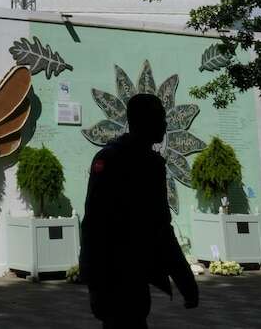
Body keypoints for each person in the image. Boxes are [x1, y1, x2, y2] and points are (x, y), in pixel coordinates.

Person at [80, 93, 198, 328]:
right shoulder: (146, 165)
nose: (166, 124)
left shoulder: (108, 157)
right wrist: (186, 281)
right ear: (146, 121)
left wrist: (91, 276)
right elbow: (160, 228)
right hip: (125, 276)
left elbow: (92, 221)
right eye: (161, 117)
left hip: (114, 276)